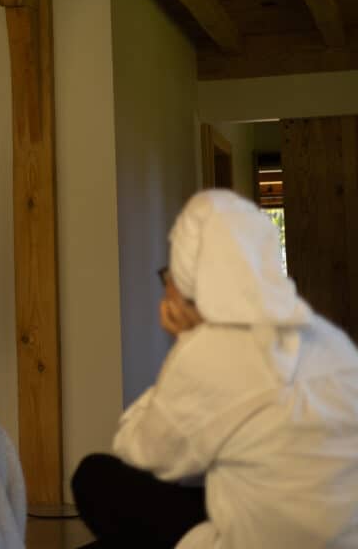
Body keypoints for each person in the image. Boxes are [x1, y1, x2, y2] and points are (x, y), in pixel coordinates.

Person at [71, 189, 358, 549]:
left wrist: (186, 342)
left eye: (169, 277)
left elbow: (139, 449)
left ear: (190, 280)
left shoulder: (209, 353)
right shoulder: (329, 339)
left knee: (96, 476)